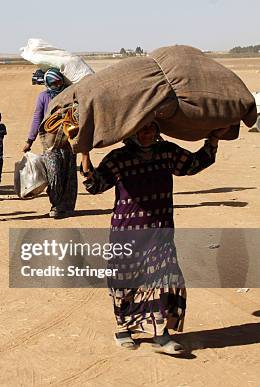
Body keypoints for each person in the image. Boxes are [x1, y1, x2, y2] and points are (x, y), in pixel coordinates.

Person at [80, 122, 229, 354]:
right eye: (141, 129)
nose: (147, 134)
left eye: (151, 129)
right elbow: (95, 184)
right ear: (131, 132)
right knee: (125, 281)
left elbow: (192, 164)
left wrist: (213, 140)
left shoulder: (167, 152)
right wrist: (84, 152)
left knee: (163, 278)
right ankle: (123, 328)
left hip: (160, 230)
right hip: (127, 231)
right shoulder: (118, 158)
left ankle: (161, 333)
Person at [23, 68, 77, 219]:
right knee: (54, 173)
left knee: (68, 173)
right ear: (47, 83)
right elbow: (37, 118)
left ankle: (67, 206)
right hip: (49, 141)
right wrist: (29, 140)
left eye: (59, 81)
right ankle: (56, 204)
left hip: (69, 139)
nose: (57, 85)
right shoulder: (43, 97)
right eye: (54, 83)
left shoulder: (69, 93)